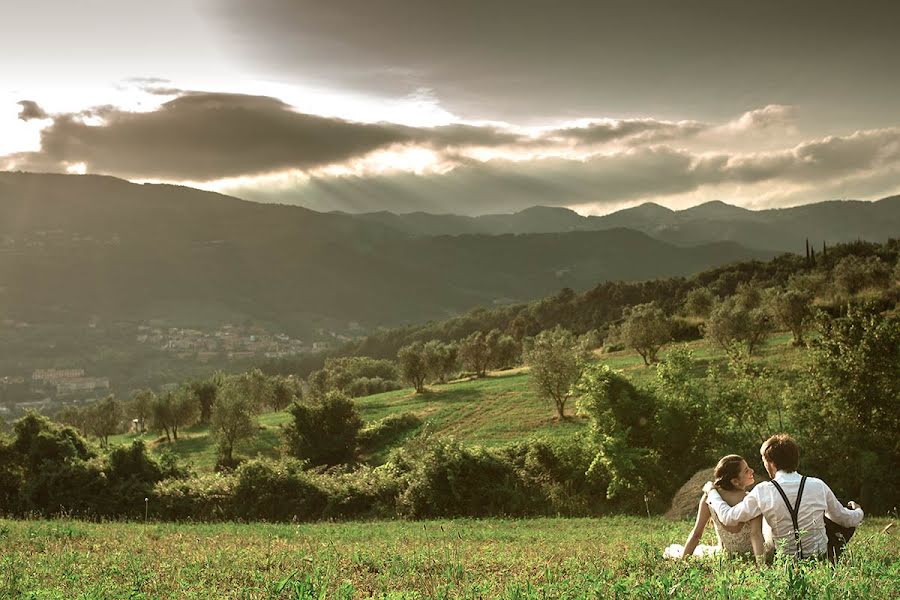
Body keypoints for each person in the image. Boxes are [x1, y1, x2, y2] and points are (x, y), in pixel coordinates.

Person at [706, 434, 864, 560]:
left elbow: (728, 517)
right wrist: (858, 511)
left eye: (764, 461)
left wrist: (712, 491)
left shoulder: (763, 491)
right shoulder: (818, 485)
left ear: (772, 464)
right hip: (820, 558)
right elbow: (844, 519)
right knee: (839, 509)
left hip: (786, 561)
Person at [664, 454, 766, 561]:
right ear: (735, 481)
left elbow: (696, 534)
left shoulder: (710, 498)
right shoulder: (751, 500)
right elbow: (756, 534)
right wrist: (761, 565)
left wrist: (683, 560)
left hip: (726, 557)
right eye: (746, 470)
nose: (752, 471)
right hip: (752, 555)